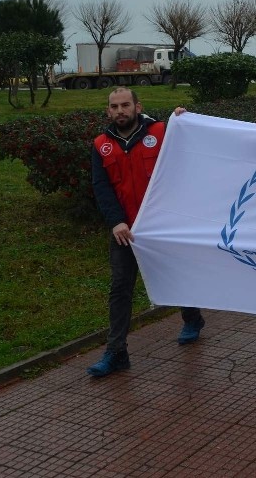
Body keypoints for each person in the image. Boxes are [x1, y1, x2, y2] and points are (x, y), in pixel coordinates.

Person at [87, 88, 204, 377]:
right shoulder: (101, 144)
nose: (120, 111)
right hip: (125, 230)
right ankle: (116, 352)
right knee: (120, 288)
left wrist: (183, 122)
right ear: (108, 111)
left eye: (125, 105)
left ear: (137, 106)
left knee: (176, 276)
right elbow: (101, 188)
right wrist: (116, 221)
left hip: (162, 226)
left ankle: (192, 318)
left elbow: (194, 153)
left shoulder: (162, 131)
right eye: (114, 106)